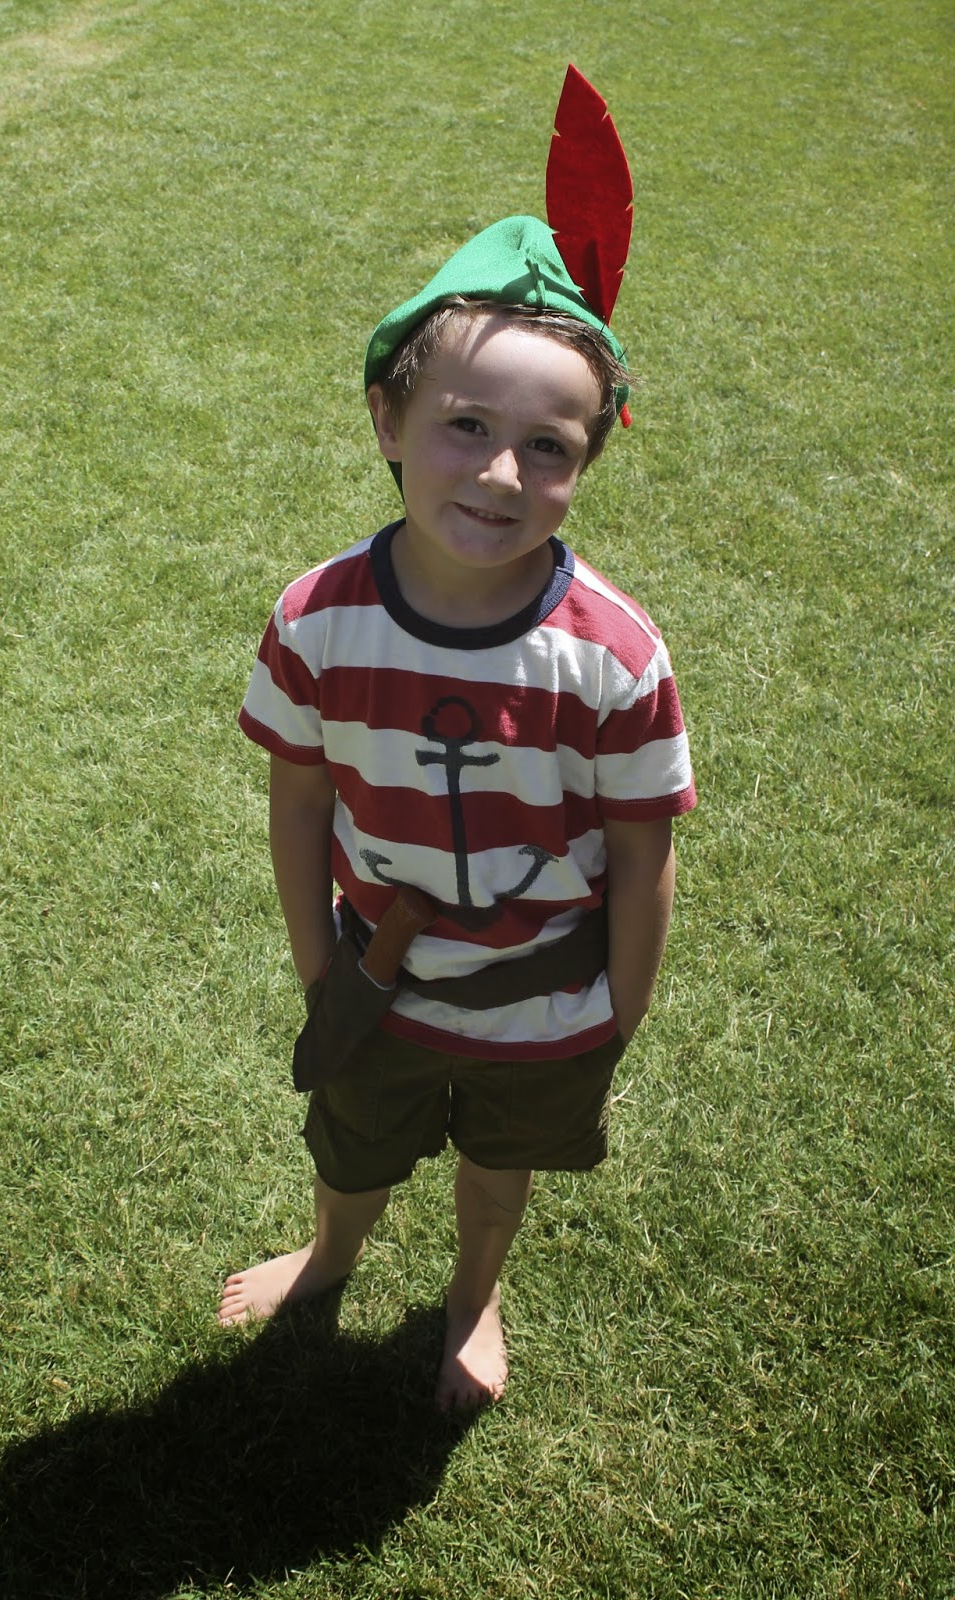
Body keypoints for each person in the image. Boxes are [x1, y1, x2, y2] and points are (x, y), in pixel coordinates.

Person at [219, 79, 696, 1412]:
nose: (498, 475)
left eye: (546, 447)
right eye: (465, 426)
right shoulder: (319, 621)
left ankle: (474, 1295)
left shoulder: (610, 655)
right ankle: (330, 1253)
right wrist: (322, 969)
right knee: (353, 1147)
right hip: (375, 979)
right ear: (390, 419)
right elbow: (299, 801)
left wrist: (618, 1009)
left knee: (500, 1164)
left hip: (544, 998)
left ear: (587, 462)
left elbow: (640, 848)